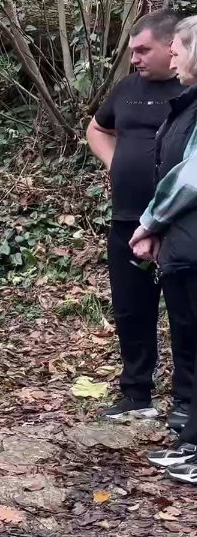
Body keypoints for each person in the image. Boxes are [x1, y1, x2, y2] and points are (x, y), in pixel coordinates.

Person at [87, 9, 193, 429]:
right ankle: (136, 393)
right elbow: (97, 129)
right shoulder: (127, 89)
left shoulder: (189, 91)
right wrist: (117, 165)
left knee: (185, 314)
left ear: (173, 47)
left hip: (177, 223)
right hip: (126, 220)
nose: (135, 58)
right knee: (131, 309)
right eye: (132, 51)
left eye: (143, 49)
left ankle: (186, 399)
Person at [134, 16, 197, 482]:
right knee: (189, 346)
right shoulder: (187, 105)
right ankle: (191, 442)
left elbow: (190, 177)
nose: (171, 56)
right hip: (182, 247)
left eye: (177, 47)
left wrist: (151, 219)